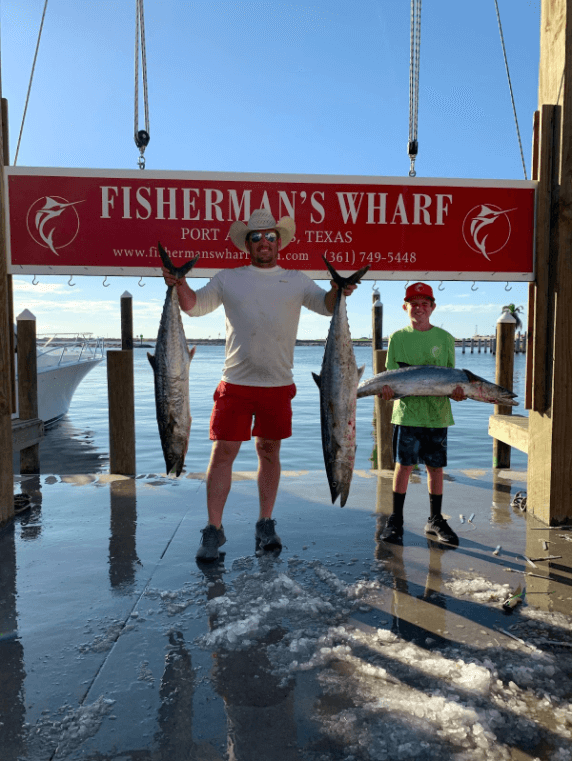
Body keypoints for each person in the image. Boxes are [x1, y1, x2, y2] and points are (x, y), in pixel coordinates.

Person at [161, 209, 359, 562]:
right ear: (247, 244)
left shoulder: (297, 280)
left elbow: (327, 306)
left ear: (279, 242)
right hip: (235, 383)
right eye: (256, 237)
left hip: (278, 385)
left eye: (270, 236)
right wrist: (179, 284)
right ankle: (213, 529)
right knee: (223, 454)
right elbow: (193, 307)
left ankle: (265, 522)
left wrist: (337, 289)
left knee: (269, 453)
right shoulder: (227, 279)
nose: (263, 242)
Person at [379, 282, 466, 545]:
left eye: (424, 304)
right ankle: (395, 520)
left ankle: (435, 519)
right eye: (413, 304)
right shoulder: (398, 338)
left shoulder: (445, 338)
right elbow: (392, 378)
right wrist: (387, 392)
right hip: (407, 414)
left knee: (435, 468)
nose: (419, 309)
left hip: (437, 415)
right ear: (406, 307)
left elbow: (451, 377)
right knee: (403, 466)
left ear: (433, 307)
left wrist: (457, 392)